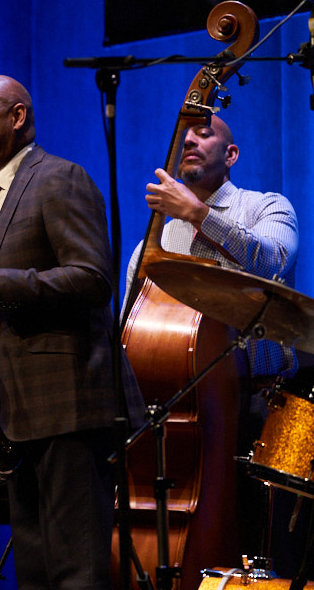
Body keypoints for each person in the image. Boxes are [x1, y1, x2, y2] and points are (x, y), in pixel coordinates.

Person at [0, 75, 144, 588]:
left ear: (17, 117)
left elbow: (93, 278)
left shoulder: (59, 178)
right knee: (36, 577)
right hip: (19, 414)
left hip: (68, 409)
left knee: (77, 575)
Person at [122, 114, 301, 568]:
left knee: (263, 538)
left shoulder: (267, 207)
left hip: (262, 405)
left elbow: (272, 261)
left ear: (231, 154)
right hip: (185, 413)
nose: (189, 139)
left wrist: (198, 215)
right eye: (185, 135)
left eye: (204, 133)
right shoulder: (154, 242)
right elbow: (127, 333)